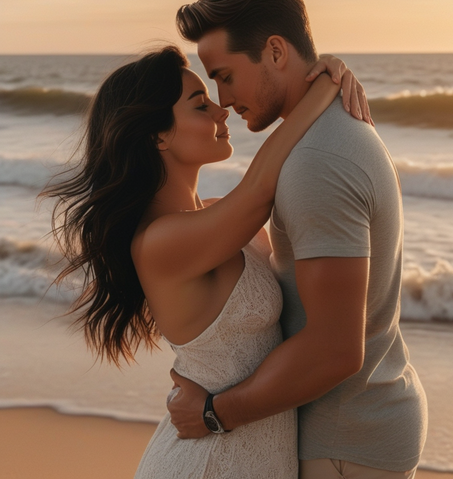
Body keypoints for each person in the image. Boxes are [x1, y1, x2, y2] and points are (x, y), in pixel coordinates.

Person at [41, 44, 367, 478]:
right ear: (157, 135)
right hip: (207, 462)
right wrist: (322, 87)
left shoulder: (218, 221)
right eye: (200, 105)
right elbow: (259, 188)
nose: (221, 110)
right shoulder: (160, 242)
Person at [167, 0, 428, 479]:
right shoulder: (328, 132)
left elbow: (333, 349)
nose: (221, 99)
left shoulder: (318, 161)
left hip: (345, 442)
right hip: (360, 426)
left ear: (276, 52)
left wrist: (215, 414)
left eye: (224, 75)